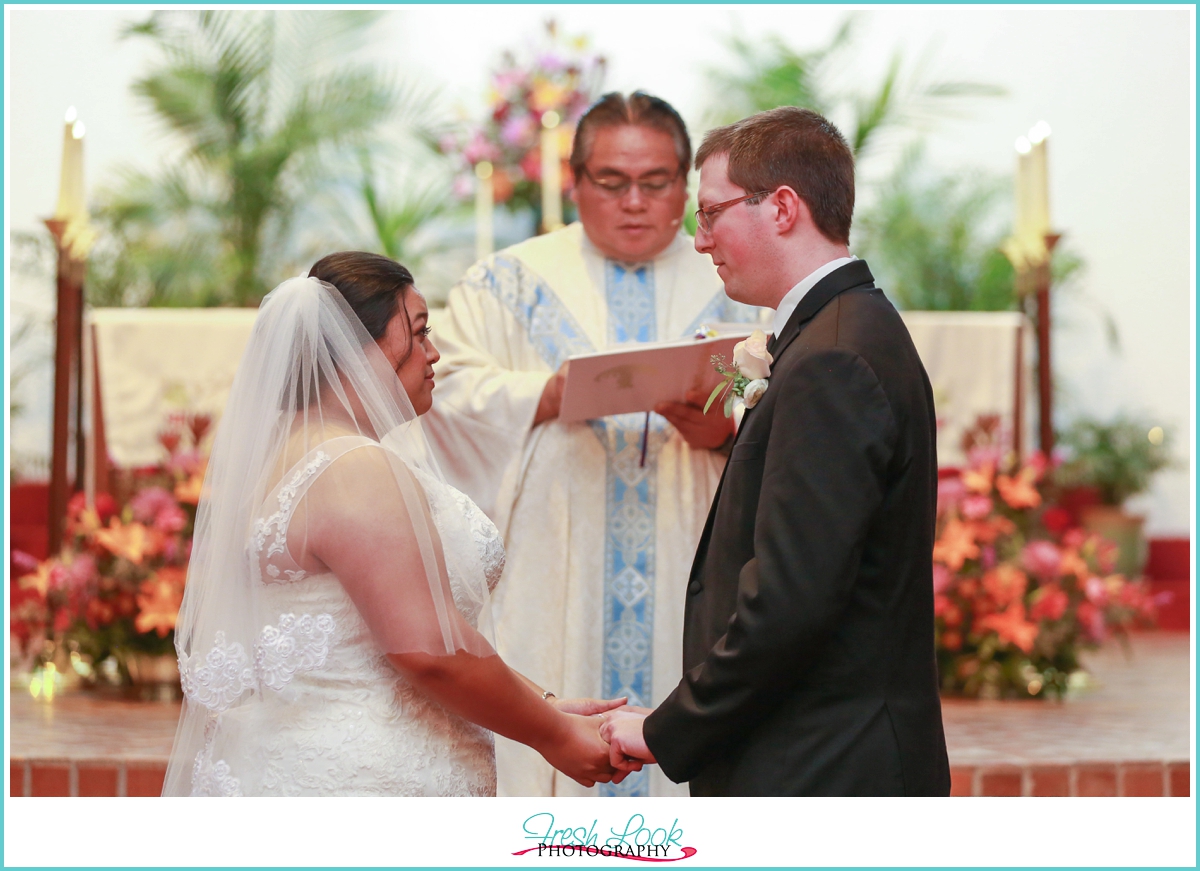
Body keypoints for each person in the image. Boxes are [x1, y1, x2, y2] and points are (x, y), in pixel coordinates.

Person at [163, 252, 628, 796]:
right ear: (354, 352)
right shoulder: (353, 468)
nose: (435, 354)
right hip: (364, 781)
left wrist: (543, 705)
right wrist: (554, 736)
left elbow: (369, 642)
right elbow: (428, 651)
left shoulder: (284, 456)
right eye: (420, 332)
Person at [601, 107, 952, 796]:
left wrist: (664, 729)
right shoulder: (841, 330)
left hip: (826, 765)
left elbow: (792, 600)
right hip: (821, 749)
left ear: (783, 207)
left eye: (711, 214)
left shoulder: (833, 357)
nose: (700, 241)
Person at [423, 92, 762, 797]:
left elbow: (789, 401)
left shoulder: (740, 283)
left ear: (688, 186)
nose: (634, 202)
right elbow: (441, 394)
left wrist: (726, 429)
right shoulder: (506, 283)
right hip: (552, 564)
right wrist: (541, 397)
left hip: (688, 551)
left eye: (657, 182)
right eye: (612, 182)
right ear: (575, 183)